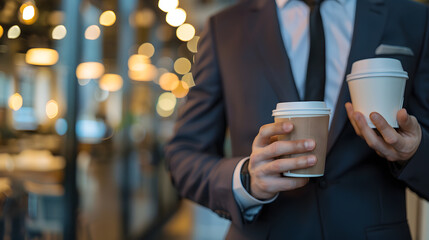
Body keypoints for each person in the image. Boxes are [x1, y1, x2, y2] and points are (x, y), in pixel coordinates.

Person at [165, 0, 429, 239]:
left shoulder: (413, 18)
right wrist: (246, 180)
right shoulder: (224, 28)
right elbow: (183, 156)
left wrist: (414, 152)